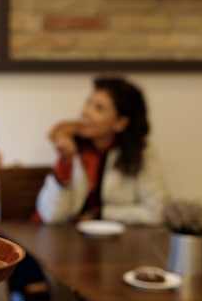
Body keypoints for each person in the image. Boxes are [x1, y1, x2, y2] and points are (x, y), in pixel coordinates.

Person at [35, 75, 168, 225]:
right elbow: (51, 215)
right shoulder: (72, 147)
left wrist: (100, 214)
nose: (85, 112)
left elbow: (157, 211)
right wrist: (65, 162)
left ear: (120, 123)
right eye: (88, 103)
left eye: (98, 108)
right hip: (67, 237)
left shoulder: (141, 152)